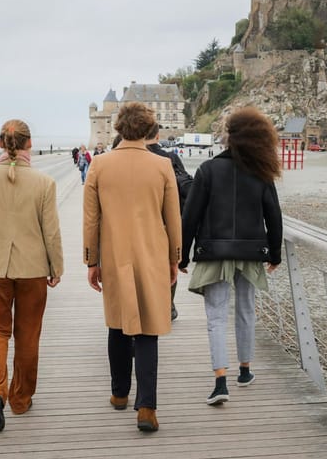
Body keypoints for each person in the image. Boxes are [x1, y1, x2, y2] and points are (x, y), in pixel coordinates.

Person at [83, 102, 181, 432]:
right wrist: (174, 258)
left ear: (119, 128)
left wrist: (91, 260)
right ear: (149, 129)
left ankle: (119, 393)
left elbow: (91, 220)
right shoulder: (162, 165)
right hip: (152, 253)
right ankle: (148, 407)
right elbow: (173, 218)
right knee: (148, 329)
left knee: (117, 324)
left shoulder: (99, 165)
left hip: (113, 254)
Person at [180, 107, 283, 406]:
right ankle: (245, 371)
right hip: (251, 253)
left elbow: (191, 216)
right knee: (246, 311)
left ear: (228, 138)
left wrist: (182, 256)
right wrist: (274, 253)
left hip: (214, 252)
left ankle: (220, 380)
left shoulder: (208, 170)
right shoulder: (261, 172)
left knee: (215, 316)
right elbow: (273, 216)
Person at [0, 119, 63, 432]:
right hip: (33, 270)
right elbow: (51, 233)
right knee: (28, 334)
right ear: (29, 144)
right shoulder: (43, 183)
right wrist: (55, 267)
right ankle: (21, 399)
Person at [145, 123, 193, 322]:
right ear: (157, 136)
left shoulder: (137, 159)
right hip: (169, 220)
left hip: (145, 221)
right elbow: (185, 185)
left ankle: (148, 305)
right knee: (169, 263)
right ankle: (168, 305)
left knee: (147, 266)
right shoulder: (171, 158)